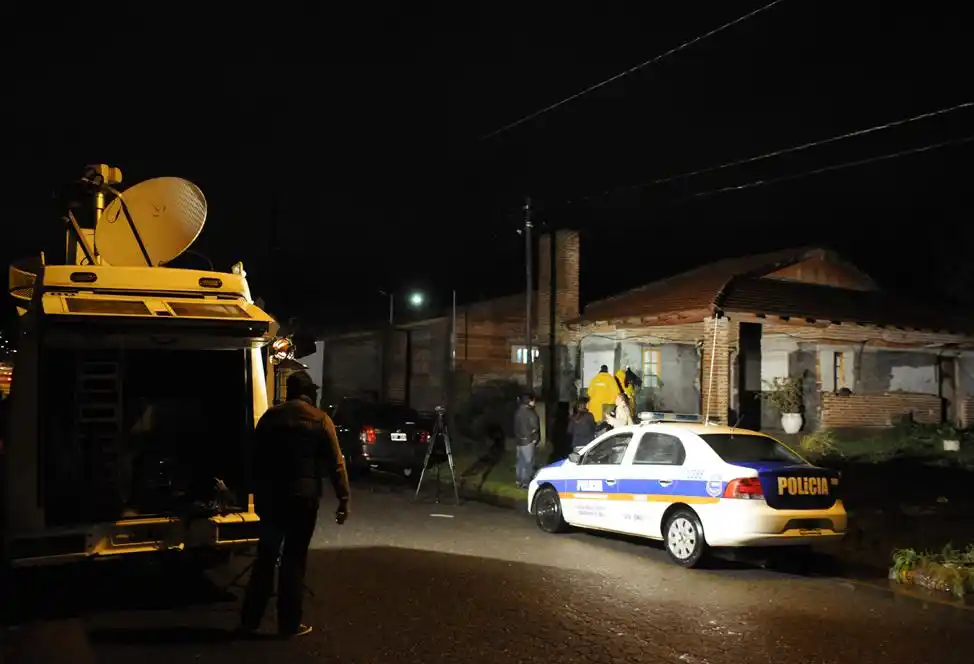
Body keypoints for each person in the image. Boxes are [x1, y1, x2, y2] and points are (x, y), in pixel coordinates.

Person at [239, 370, 351, 638]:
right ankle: (288, 625)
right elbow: (336, 463)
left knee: (265, 558)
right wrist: (343, 498)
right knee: (294, 560)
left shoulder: (270, 418)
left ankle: (249, 621)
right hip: (304, 498)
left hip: (271, 498)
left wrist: (249, 492)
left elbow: (253, 457)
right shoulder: (320, 420)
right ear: (309, 393)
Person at [513, 393, 540, 489]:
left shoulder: (518, 412)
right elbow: (535, 427)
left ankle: (518, 480)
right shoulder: (530, 413)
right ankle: (525, 482)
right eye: (533, 400)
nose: (534, 402)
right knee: (528, 462)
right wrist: (534, 438)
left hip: (519, 440)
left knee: (520, 461)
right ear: (530, 401)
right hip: (527, 440)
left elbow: (515, 426)